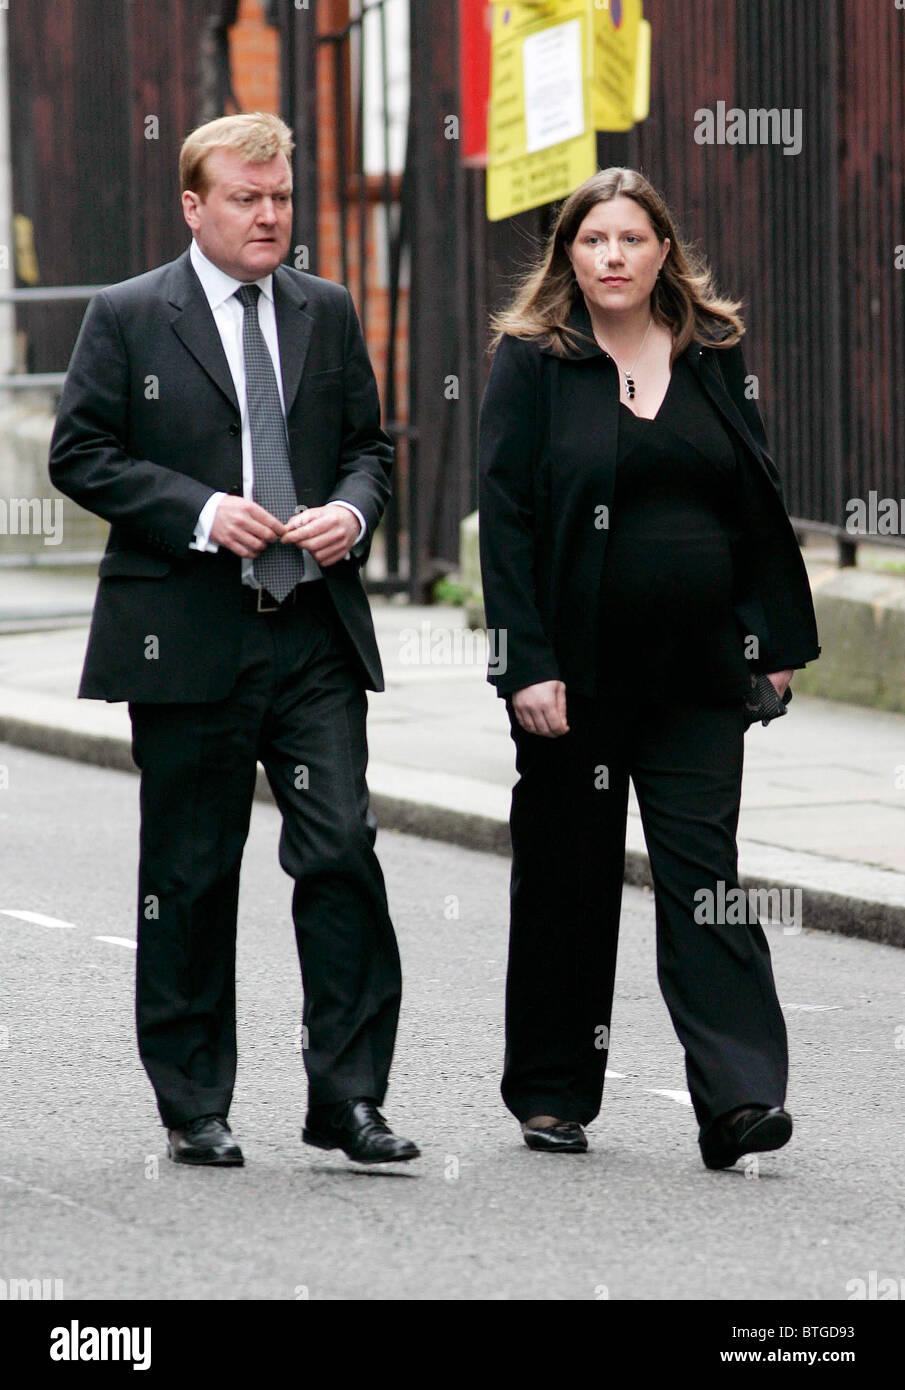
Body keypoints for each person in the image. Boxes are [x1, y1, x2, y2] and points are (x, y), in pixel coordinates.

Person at [49, 112, 418, 1168]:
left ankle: (347, 1099)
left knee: (341, 850)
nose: (269, 217)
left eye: (281, 198)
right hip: (184, 637)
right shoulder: (127, 316)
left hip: (308, 632)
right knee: (192, 871)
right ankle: (194, 1103)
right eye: (247, 198)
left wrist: (350, 513)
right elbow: (80, 454)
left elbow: (365, 448)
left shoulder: (327, 310)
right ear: (193, 205)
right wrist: (204, 512)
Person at [478, 167, 820, 1168]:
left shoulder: (712, 352)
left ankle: (738, 1099)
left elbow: (754, 502)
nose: (613, 256)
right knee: (566, 882)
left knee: (705, 877)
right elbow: (504, 525)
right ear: (567, 257)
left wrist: (775, 643)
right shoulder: (532, 360)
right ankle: (549, 1091)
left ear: (663, 250)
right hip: (570, 682)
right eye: (594, 241)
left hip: (696, 674)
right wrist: (522, 666)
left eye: (631, 239)